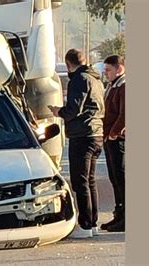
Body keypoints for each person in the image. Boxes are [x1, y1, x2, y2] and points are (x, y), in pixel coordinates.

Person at [48, 49, 105, 238]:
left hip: (82, 135)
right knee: (89, 180)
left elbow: (74, 109)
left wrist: (59, 112)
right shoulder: (95, 79)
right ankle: (93, 223)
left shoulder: (79, 79)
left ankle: (86, 224)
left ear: (68, 64)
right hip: (96, 133)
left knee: (80, 181)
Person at [100, 55, 125, 232]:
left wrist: (113, 133)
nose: (106, 73)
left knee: (121, 178)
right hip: (109, 139)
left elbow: (125, 114)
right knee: (114, 178)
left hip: (118, 140)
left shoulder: (124, 86)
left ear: (119, 69)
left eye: (109, 70)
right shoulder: (112, 86)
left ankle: (126, 217)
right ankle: (119, 214)